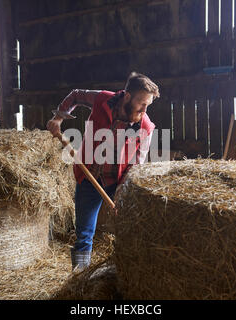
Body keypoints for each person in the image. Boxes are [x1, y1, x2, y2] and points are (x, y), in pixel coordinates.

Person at [47, 72, 160, 271]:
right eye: (142, 103)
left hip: (117, 182)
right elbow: (76, 95)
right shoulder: (103, 99)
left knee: (126, 229)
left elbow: (136, 165)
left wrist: (121, 192)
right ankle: (79, 276)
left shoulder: (145, 127)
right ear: (127, 96)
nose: (145, 109)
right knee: (84, 233)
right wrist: (58, 119)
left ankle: (126, 273)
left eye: (148, 105)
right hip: (89, 175)